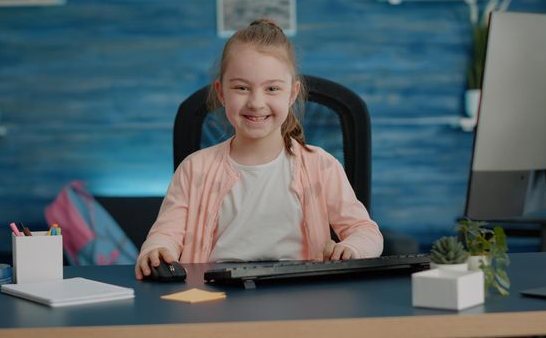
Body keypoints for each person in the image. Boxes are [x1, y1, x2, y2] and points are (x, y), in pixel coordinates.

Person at [135, 19, 383, 280]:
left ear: (291, 93)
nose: (256, 102)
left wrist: (352, 248)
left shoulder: (321, 166)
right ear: (221, 93)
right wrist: (157, 249)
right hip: (213, 298)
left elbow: (366, 232)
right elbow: (167, 233)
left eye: (272, 88)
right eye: (241, 88)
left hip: (299, 294)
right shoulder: (194, 168)